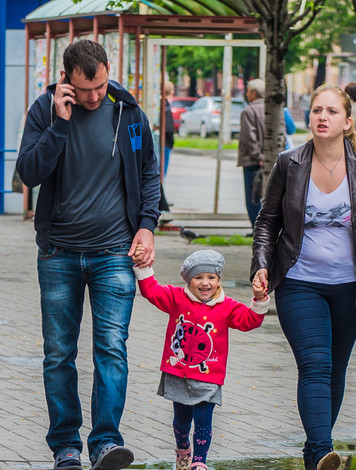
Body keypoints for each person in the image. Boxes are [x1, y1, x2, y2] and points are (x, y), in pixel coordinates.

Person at [16, 39, 161, 470]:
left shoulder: (129, 113)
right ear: (66, 80)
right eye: (84, 89)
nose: (94, 96)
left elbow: (149, 173)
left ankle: (104, 443)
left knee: (111, 349)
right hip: (58, 253)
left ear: (107, 70)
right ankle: (65, 446)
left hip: (115, 252)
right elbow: (29, 171)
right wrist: (60, 124)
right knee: (59, 352)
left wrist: (147, 226)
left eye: (99, 86)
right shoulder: (45, 111)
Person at [251, 84, 356, 470]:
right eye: (316, 111)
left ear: (348, 121)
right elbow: (267, 221)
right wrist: (261, 264)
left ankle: (317, 454)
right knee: (315, 364)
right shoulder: (289, 163)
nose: (322, 117)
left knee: (336, 370)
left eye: (331, 111)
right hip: (298, 281)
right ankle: (321, 451)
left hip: (348, 285)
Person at [131, 248, 269, 470]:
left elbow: (249, 320)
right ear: (189, 280)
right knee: (182, 421)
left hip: (209, 376)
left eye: (211, 278)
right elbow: (152, 291)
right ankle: (183, 450)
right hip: (178, 373)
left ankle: (199, 462)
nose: (206, 283)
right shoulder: (176, 298)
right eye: (199, 277)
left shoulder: (227, 307)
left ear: (218, 280)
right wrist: (143, 266)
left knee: (204, 420)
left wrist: (260, 299)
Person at [237, 79, 266, 230]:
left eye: (248, 91)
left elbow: (249, 136)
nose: (246, 94)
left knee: (253, 198)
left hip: (252, 161)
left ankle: (257, 229)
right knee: (267, 197)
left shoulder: (249, 111)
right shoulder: (273, 109)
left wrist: (258, 157)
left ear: (254, 93)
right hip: (269, 161)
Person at [161, 82, 175, 176]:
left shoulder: (160, 104)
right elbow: (169, 128)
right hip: (165, 143)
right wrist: (171, 142)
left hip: (163, 141)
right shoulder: (165, 105)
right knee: (162, 172)